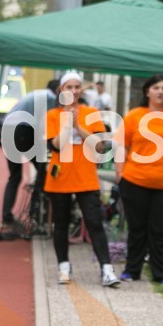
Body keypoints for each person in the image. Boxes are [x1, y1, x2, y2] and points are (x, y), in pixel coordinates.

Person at [116, 74, 163, 285]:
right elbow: (121, 146)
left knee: (160, 231)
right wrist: (120, 173)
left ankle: (162, 273)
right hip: (134, 182)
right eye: (156, 88)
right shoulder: (134, 115)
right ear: (147, 91)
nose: (161, 92)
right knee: (137, 229)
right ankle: (132, 270)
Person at [44, 71, 119, 287]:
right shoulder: (51, 115)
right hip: (60, 176)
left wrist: (78, 126)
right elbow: (55, 145)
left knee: (95, 222)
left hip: (86, 177)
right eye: (69, 87)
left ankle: (107, 269)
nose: (74, 91)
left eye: (77, 87)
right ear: (61, 90)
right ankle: (64, 267)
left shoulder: (91, 112)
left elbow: (100, 145)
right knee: (61, 224)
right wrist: (67, 123)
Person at [0, 79, 59, 232]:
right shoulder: (50, 98)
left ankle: (6, 217)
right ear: (58, 89)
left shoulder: (37, 94)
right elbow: (45, 124)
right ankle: (34, 214)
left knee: (14, 176)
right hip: (23, 131)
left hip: (8, 130)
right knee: (43, 170)